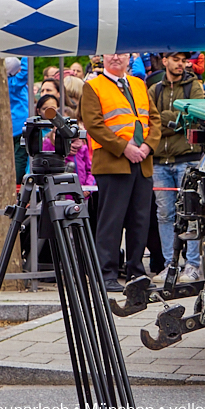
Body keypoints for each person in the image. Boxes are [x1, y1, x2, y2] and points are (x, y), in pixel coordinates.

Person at [80, 53, 161, 291]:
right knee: (111, 221)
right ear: (102, 58)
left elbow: (153, 119)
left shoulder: (138, 83)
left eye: (122, 53)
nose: (116, 57)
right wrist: (124, 148)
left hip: (142, 161)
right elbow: (93, 124)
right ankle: (106, 274)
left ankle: (136, 273)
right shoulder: (93, 86)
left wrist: (148, 146)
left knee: (140, 221)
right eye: (111, 53)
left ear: (130, 58)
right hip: (114, 162)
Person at [149, 52, 204, 283]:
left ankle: (193, 264)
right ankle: (169, 264)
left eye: (184, 60)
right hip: (160, 161)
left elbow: (194, 118)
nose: (181, 64)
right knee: (164, 215)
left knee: (191, 213)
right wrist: (175, 121)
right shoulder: (154, 90)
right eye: (176, 59)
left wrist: (165, 122)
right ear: (165, 61)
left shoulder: (196, 87)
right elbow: (148, 120)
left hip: (187, 158)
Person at [6, 57, 29, 184]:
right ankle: (16, 183)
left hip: (13, 125)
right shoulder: (15, 83)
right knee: (20, 156)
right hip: (20, 126)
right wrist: (26, 54)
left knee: (14, 156)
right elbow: (26, 71)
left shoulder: (6, 83)